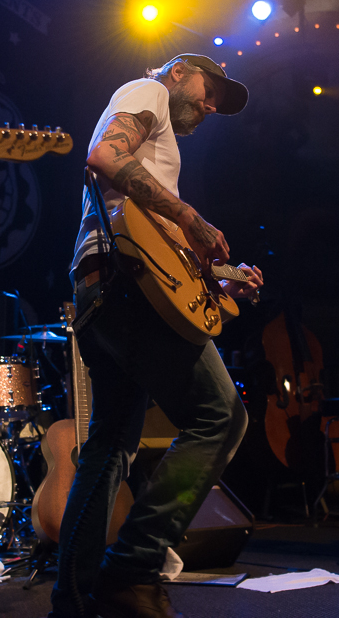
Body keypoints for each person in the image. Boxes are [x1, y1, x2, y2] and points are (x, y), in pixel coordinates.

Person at [49, 54, 262, 618]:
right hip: (128, 286)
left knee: (108, 449)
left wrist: (220, 283)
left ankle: (73, 602)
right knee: (221, 416)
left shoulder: (160, 140)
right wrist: (191, 217)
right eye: (210, 90)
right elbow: (105, 155)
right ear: (178, 71)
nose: (211, 106)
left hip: (104, 287)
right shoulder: (149, 93)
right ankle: (133, 568)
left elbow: (159, 245)